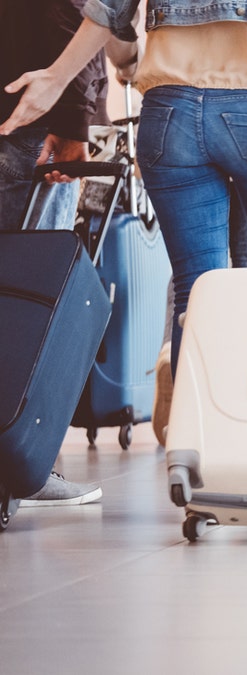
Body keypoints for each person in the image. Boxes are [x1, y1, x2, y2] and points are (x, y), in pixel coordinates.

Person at [2, 0, 247, 389]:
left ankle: (198, 433)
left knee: (197, 293)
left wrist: (57, 78)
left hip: (170, 111)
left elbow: (112, 8)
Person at [0, 0, 112, 506]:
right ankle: (22, 465)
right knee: (24, 307)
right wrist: (73, 125)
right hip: (28, 122)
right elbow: (76, 15)